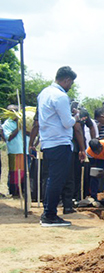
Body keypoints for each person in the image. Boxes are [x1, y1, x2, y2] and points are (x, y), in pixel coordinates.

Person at [29, 66, 78, 227]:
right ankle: (49, 215)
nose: (70, 87)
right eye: (70, 84)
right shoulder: (60, 97)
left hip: (48, 142)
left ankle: (48, 212)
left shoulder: (44, 93)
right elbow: (67, 123)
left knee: (51, 178)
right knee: (57, 179)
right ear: (66, 80)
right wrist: (75, 117)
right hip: (59, 142)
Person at [1, 105, 28, 197]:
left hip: (24, 150)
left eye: (16, 110)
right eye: (12, 111)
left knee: (24, 171)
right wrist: (18, 128)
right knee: (14, 172)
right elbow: (9, 137)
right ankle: (14, 191)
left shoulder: (23, 121)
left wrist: (23, 125)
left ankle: (23, 190)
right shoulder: (7, 124)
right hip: (14, 151)